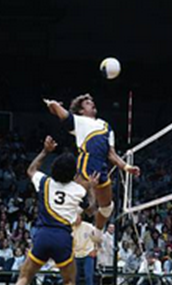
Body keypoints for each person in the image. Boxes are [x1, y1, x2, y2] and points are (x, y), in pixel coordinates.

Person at [0, 136, 96, 285]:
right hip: (63, 238)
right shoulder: (78, 190)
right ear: (73, 173)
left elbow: (31, 170)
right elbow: (91, 210)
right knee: (69, 282)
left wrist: (44, 151)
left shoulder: (45, 182)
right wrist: (91, 187)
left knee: (25, 276)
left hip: (42, 235)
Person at [44, 94, 140, 238]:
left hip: (102, 167)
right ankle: (55, 232)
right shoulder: (79, 121)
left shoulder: (106, 126)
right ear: (81, 110)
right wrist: (52, 104)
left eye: (92, 102)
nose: (92, 104)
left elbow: (111, 154)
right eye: (87, 103)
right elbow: (61, 113)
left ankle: (97, 234)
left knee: (108, 207)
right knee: (76, 204)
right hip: (87, 164)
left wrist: (126, 167)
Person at [73, 214, 96, 285]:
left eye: (78, 217)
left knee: (88, 277)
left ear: (81, 217)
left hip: (87, 254)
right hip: (75, 255)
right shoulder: (70, 228)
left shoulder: (88, 226)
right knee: (74, 279)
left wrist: (95, 249)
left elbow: (98, 236)